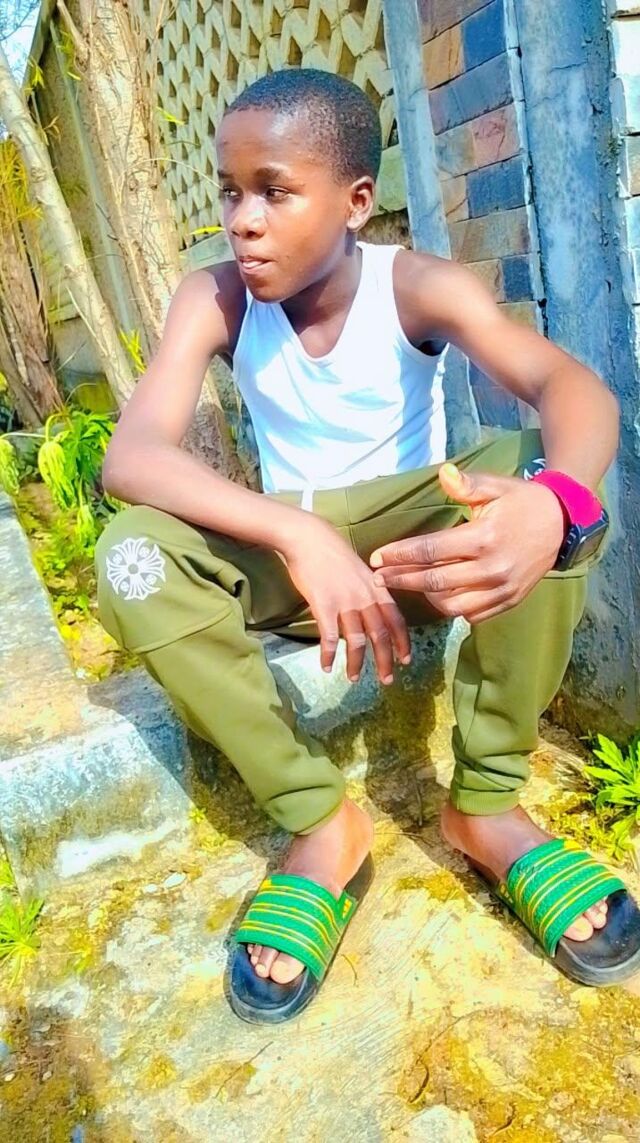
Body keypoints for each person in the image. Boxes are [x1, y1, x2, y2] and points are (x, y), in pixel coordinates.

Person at [96, 68, 640, 1024]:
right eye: (230, 192)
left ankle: (487, 802)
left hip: (412, 557)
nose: (243, 222)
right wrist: (295, 528)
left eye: (274, 191)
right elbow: (132, 455)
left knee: (536, 479)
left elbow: (571, 389)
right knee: (131, 554)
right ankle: (319, 821)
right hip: (293, 569)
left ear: (355, 202)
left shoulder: (415, 286)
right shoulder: (215, 299)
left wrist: (554, 501)